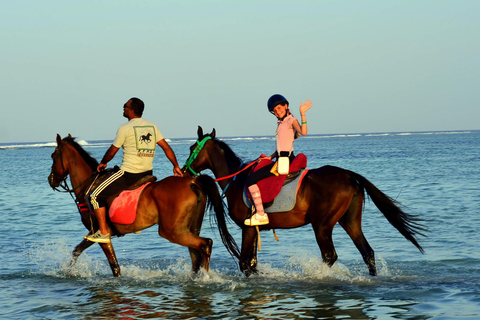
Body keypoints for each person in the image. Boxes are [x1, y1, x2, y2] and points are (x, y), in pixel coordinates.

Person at [86, 97, 183, 243]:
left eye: (125, 106)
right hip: (147, 174)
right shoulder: (152, 126)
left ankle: (104, 232)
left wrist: (103, 162)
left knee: (94, 195)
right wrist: (176, 166)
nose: (123, 108)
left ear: (131, 110)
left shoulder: (124, 128)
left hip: (129, 174)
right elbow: (166, 147)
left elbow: (112, 151)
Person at [244, 94, 312, 226]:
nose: (277, 112)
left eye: (279, 108)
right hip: (280, 159)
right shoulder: (281, 123)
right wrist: (270, 156)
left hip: (284, 162)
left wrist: (303, 114)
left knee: (251, 179)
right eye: (274, 111)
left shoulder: (291, 120)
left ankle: (260, 214)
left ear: (286, 106)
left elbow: (303, 132)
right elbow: (282, 146)